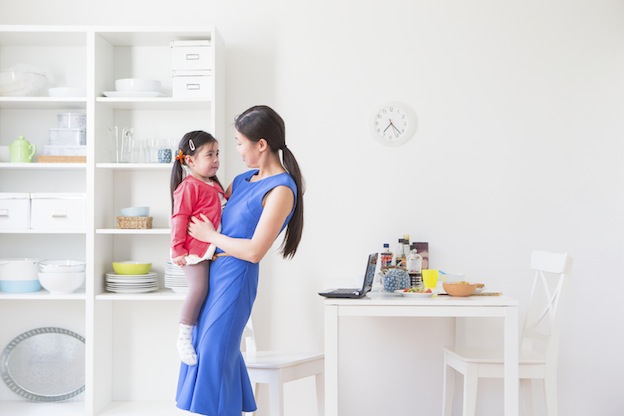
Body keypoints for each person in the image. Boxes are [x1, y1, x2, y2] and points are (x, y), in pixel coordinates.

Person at [175, 105, 304, 415]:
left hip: (235, 280)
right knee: (205, 352)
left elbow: (254, 250)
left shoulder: (281, 190)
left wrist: (210, 237)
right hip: (212, 276)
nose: (235, 150)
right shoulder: (242, 180)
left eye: (238, 141)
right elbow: (211, 212)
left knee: (214, 355)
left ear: (261, 144)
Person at [170, 130, 227, 366]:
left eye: (217, 154)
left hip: (210, 248)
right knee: (199, 288)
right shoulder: (188, 187)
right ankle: (183, 336)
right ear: (191, 161)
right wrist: (178, 250)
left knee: (207, 291)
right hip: (194, 250)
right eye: (209, 155)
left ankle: (195, 332)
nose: (215, 160)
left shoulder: (213, 185)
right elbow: (179, 218)